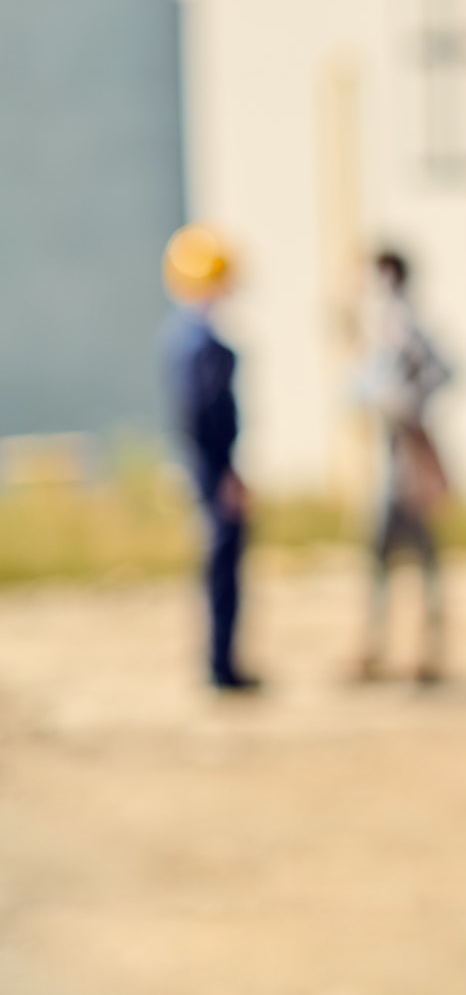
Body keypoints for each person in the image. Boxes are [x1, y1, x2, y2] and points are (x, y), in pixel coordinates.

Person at [160, 224, 260, 693]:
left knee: (218, 565)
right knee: (223, 567)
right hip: (213, 469)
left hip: (205, 468)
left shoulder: (180, 336)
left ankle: (221, 661)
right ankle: (222, 666)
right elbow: (205, 416)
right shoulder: (203, 344)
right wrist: (225, 474)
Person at [352, 250, 453, 684]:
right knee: (380, 559)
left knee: (422, 558)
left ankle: (427, 652)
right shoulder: (380, 330)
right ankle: (377, 650)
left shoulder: (404, 328)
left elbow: (443, 373)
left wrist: (407, 404)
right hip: (389, 458)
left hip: (407, 457)